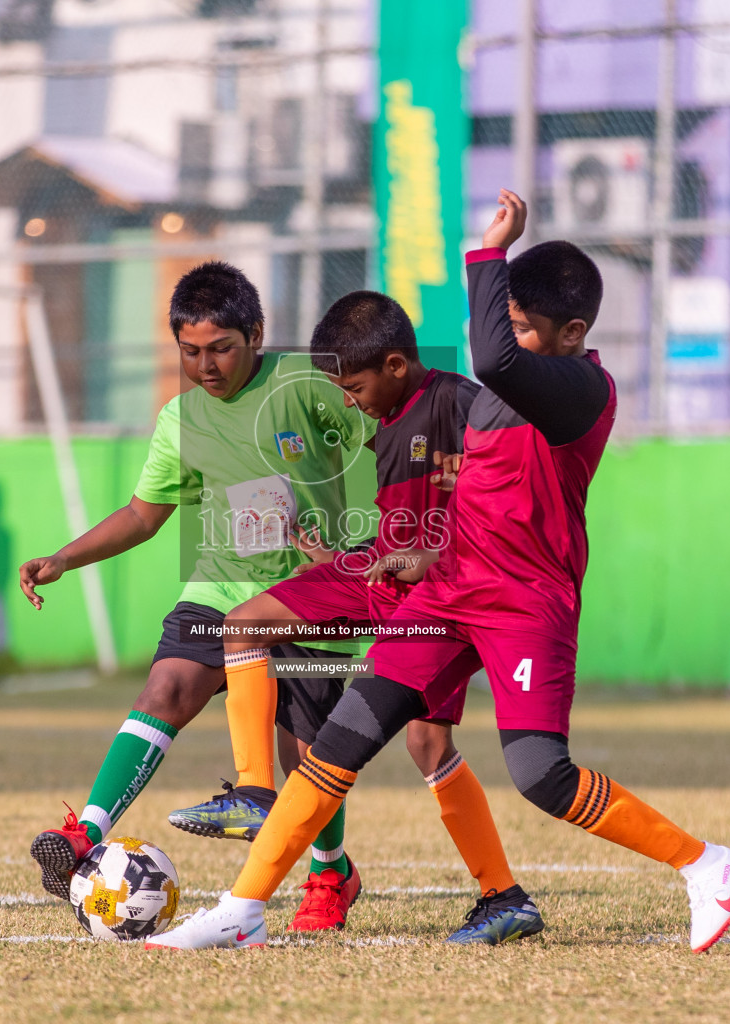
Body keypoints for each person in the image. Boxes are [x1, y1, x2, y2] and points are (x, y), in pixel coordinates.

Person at [147, 190, 730, 954]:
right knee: (344, 737)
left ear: (575, 333)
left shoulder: (581, 392)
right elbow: (484, 492)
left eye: (528, 328)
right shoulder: (502, 392)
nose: (511, 341)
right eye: (514, 323)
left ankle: (706, 864)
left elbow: (494, 355)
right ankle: (243, 908)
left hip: (524, 603)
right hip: (448, 589)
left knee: (540, 775)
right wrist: (426, 554)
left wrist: (487, 249)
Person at [166, 290, 541, 943]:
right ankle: (256, 794)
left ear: (396, 366)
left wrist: (434, 552)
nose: (347, 399)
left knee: (428, 743)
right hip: (383, 574)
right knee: (246, 623)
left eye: (353, 385)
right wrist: (326, 552)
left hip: (448, 596)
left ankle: (503, 896)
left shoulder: (460, 404)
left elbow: (512, 500)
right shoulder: (388, 419)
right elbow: (405, 523)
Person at [18, 261, 371, 930]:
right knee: (166, 690)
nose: (205, 365)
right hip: (221, 585)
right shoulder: (180, 419)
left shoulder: (305, 385)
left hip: (312, 595)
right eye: (190, 351)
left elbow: (381, 431)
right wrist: (65, 558)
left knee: (308, 757)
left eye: (221, 349)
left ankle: (331, 873)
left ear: (257, 335)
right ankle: (82, 835)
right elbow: (143, 515)